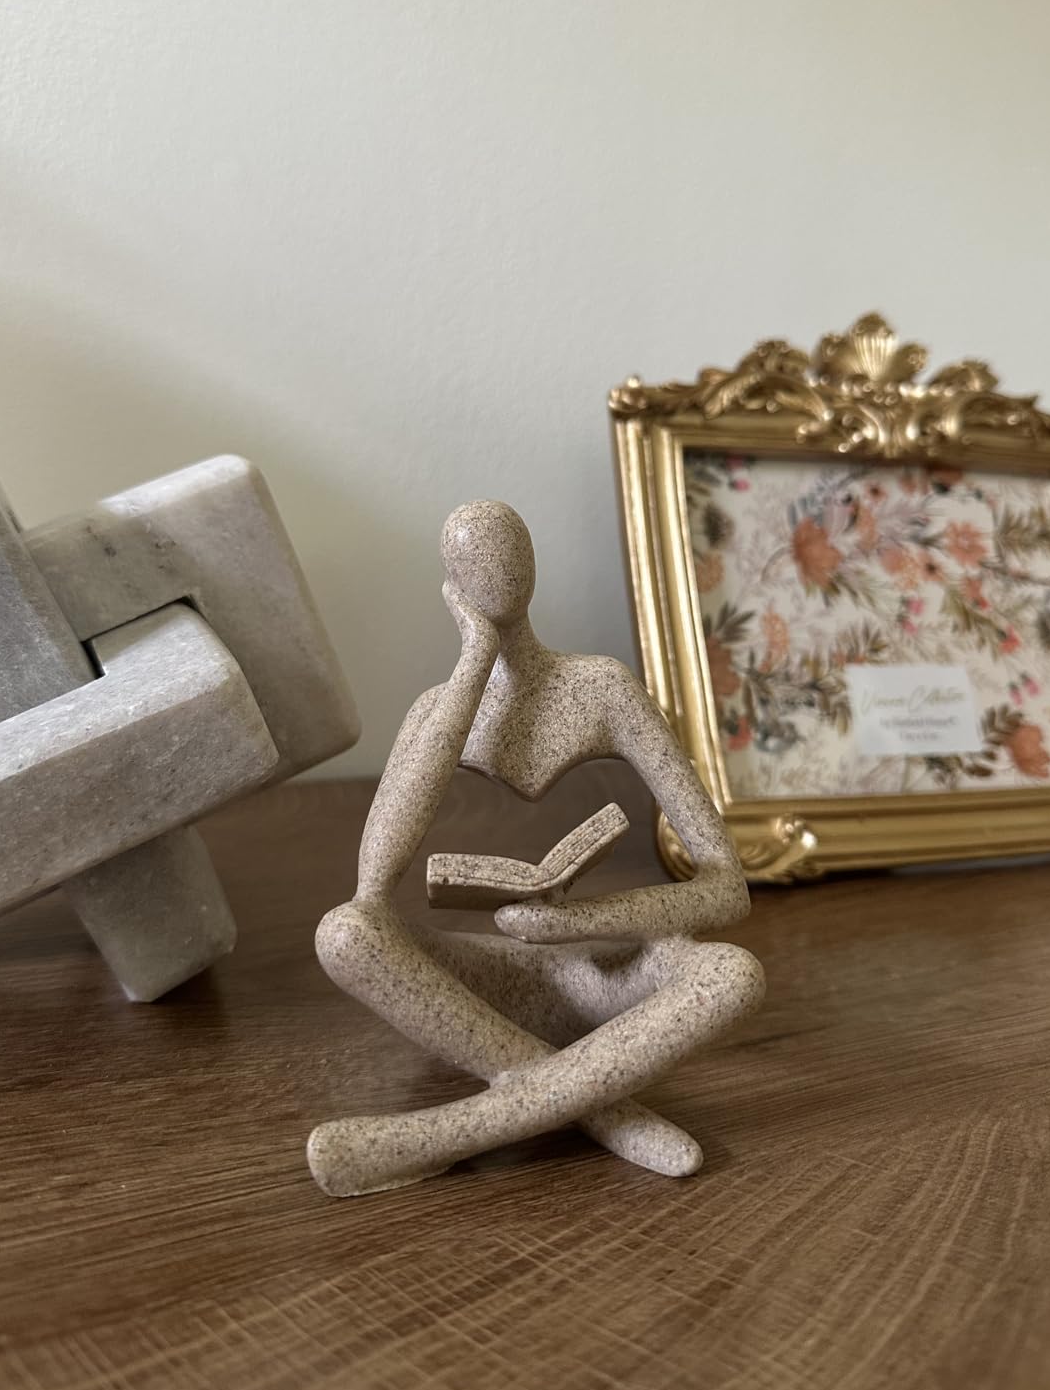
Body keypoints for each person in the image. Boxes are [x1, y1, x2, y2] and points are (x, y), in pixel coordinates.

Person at [309, 501, 764, 1196]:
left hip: (608, 972)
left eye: (508, 557)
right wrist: (472, 664)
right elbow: (373, 888)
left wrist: (577, 922)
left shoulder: (602, 688)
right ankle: (600, 1108)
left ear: (533, 568)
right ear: (452, 584)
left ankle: (436, 1138)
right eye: (476, 566)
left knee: (731, 973)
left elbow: (725, 887)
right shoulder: (439, 712)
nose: (497, 576)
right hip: (488, 981)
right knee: (345, 935)